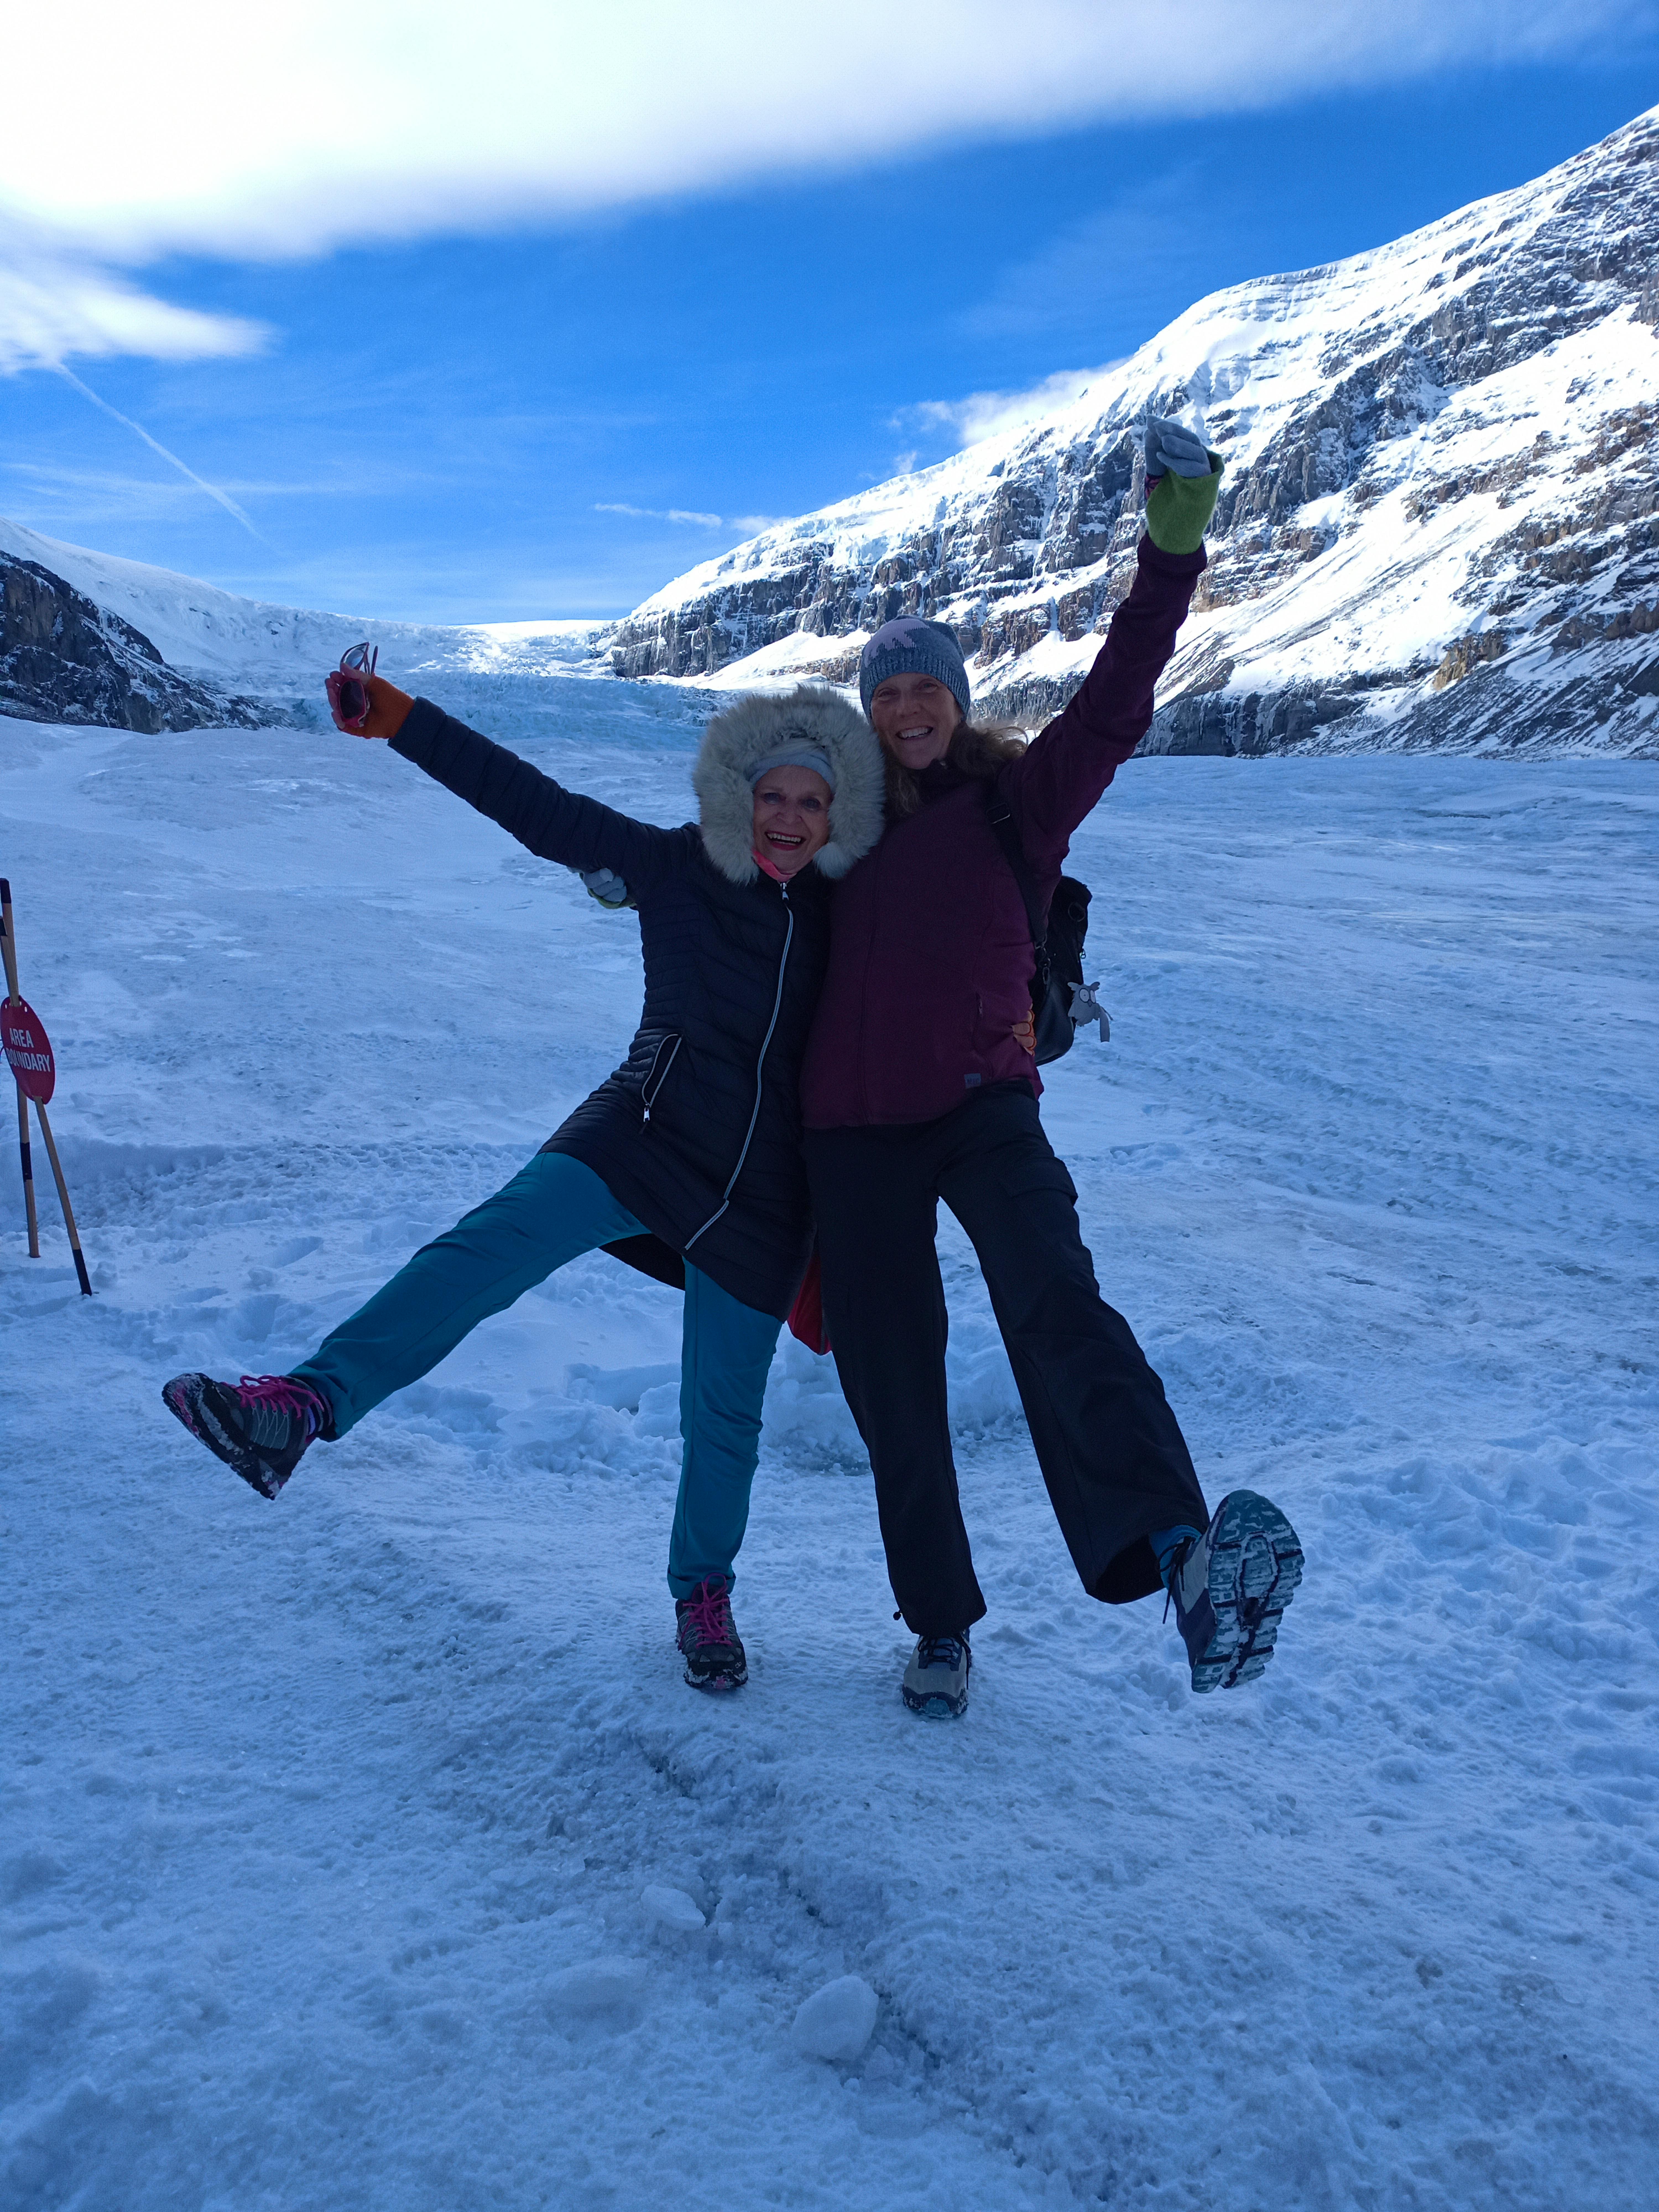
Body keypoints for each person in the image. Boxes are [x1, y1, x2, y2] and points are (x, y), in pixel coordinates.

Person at [163, 675, 885, 1692]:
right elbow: (535, 807)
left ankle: (704, 1593)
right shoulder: (674, 867)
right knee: (486, 1248)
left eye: (814, 803)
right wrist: (406, 721)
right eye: (775, 795)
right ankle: (304, 1407)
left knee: (725, 1411)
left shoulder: (850, 916)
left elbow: (954, 944)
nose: (791, 820)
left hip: (764, 1194)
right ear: (741, 793)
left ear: (837, 812)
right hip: (641, 1128)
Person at [799, 416, 1304, 1717]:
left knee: (1058, 1309)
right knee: (893, 1385)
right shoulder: (832, 833)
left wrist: (1171, 554)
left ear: (958, 702)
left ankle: (1185, 1561)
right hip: (850, 1136)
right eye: (887, 691)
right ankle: (940, 1625)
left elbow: (1119, 694)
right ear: (869, 713)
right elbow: (737, 898)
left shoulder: (1018, 802)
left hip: (982, 1110)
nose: (908, 707)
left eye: (928, 687)